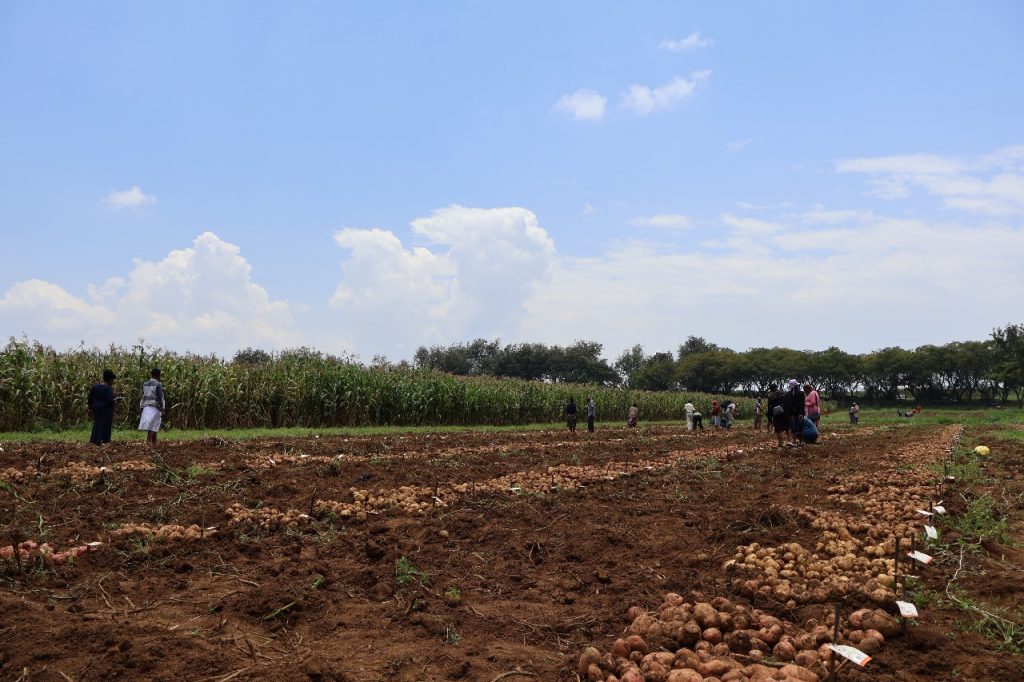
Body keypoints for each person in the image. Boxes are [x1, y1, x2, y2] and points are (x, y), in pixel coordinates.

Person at [88, 369, 117, 446]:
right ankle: (103, 440)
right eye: (112, 380)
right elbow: (110, 400)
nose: (113, 382)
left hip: (96, 409)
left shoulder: (95, 387)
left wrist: (90, 407)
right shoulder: (108, 388)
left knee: (97, 423)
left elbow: (90, 398)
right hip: (106, 410)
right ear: (110, 380)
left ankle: (94, 440)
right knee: (105, 425)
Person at [138, 368, 166, 445]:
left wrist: (141, 407)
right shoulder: (158, 384)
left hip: (146, 406)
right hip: (155, 407)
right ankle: (148, 442)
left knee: (154, 425)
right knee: (153, 426)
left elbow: (143, 396)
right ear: (158, 375)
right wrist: (162, 409)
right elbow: (159, 397)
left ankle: (154, 443)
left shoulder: (145, 384)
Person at [784, 379, 805, 446]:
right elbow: (802, 404)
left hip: (791, 414)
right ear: (797, 386)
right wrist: (801, 413)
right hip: (799, 414)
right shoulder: (801, 393)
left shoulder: (787, 394)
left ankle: (794, 442)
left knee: (792, 428)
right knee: (800, 427)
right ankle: (801, 441)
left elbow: (786, 405)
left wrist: (787, 414)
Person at [767, 384, 788, 449]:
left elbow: (769, 407)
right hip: (785, 412)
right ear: (776, 387)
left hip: (776, 414)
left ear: (770, 389)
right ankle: (790, 442)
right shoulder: (783, 393)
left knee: (778, 430)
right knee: (788, 428)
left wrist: (769, 418)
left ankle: (780, 444)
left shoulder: (770, 396)